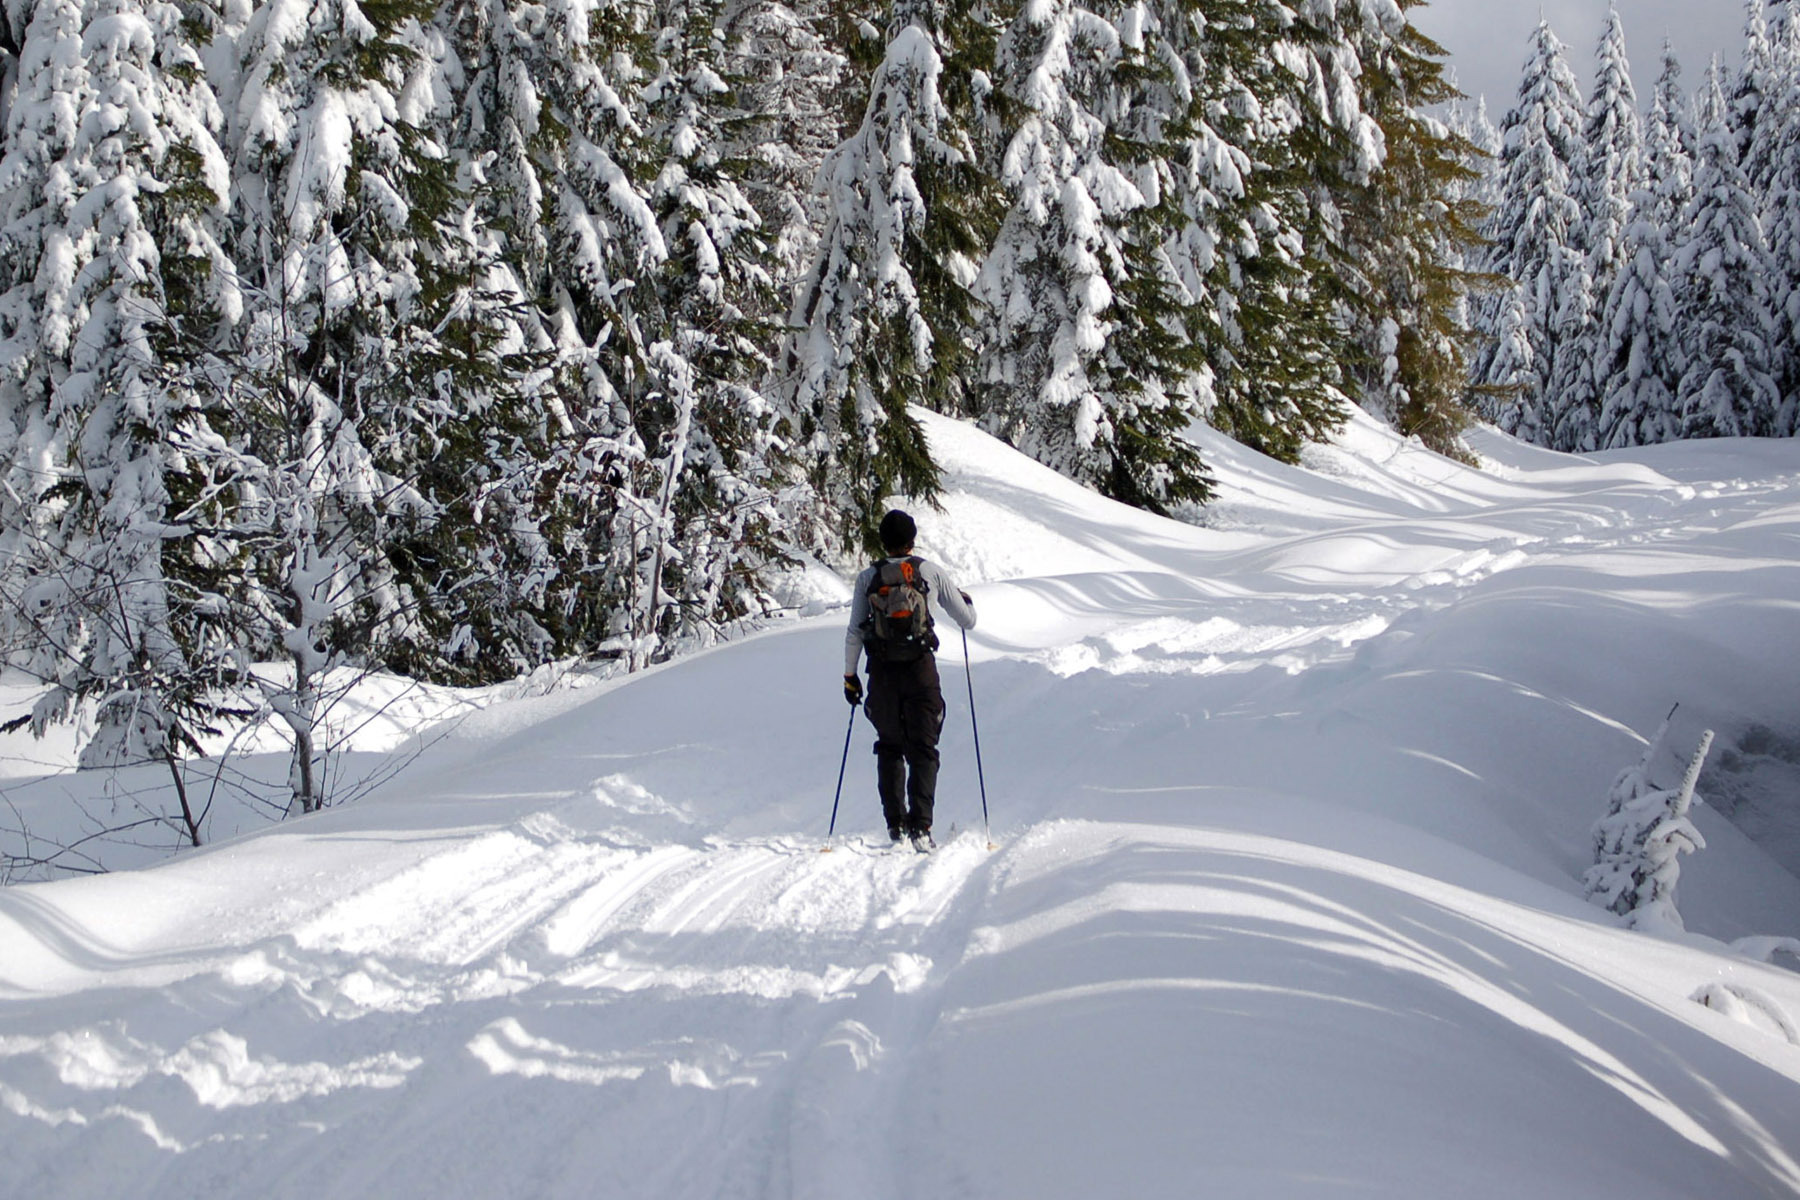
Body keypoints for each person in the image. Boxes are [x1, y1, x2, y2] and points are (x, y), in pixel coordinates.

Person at [843, 509, 977, 849]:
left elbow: (854, 632)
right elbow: (967, 621)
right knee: (923, 747)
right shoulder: (929, 571)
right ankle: (921, 828)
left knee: (889, 746)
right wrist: (965, 601)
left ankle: (895, 826)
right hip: (920, 670)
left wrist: (850, 676)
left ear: (883, 541)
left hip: (882, 673)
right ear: (912, 539)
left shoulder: (866, 578)